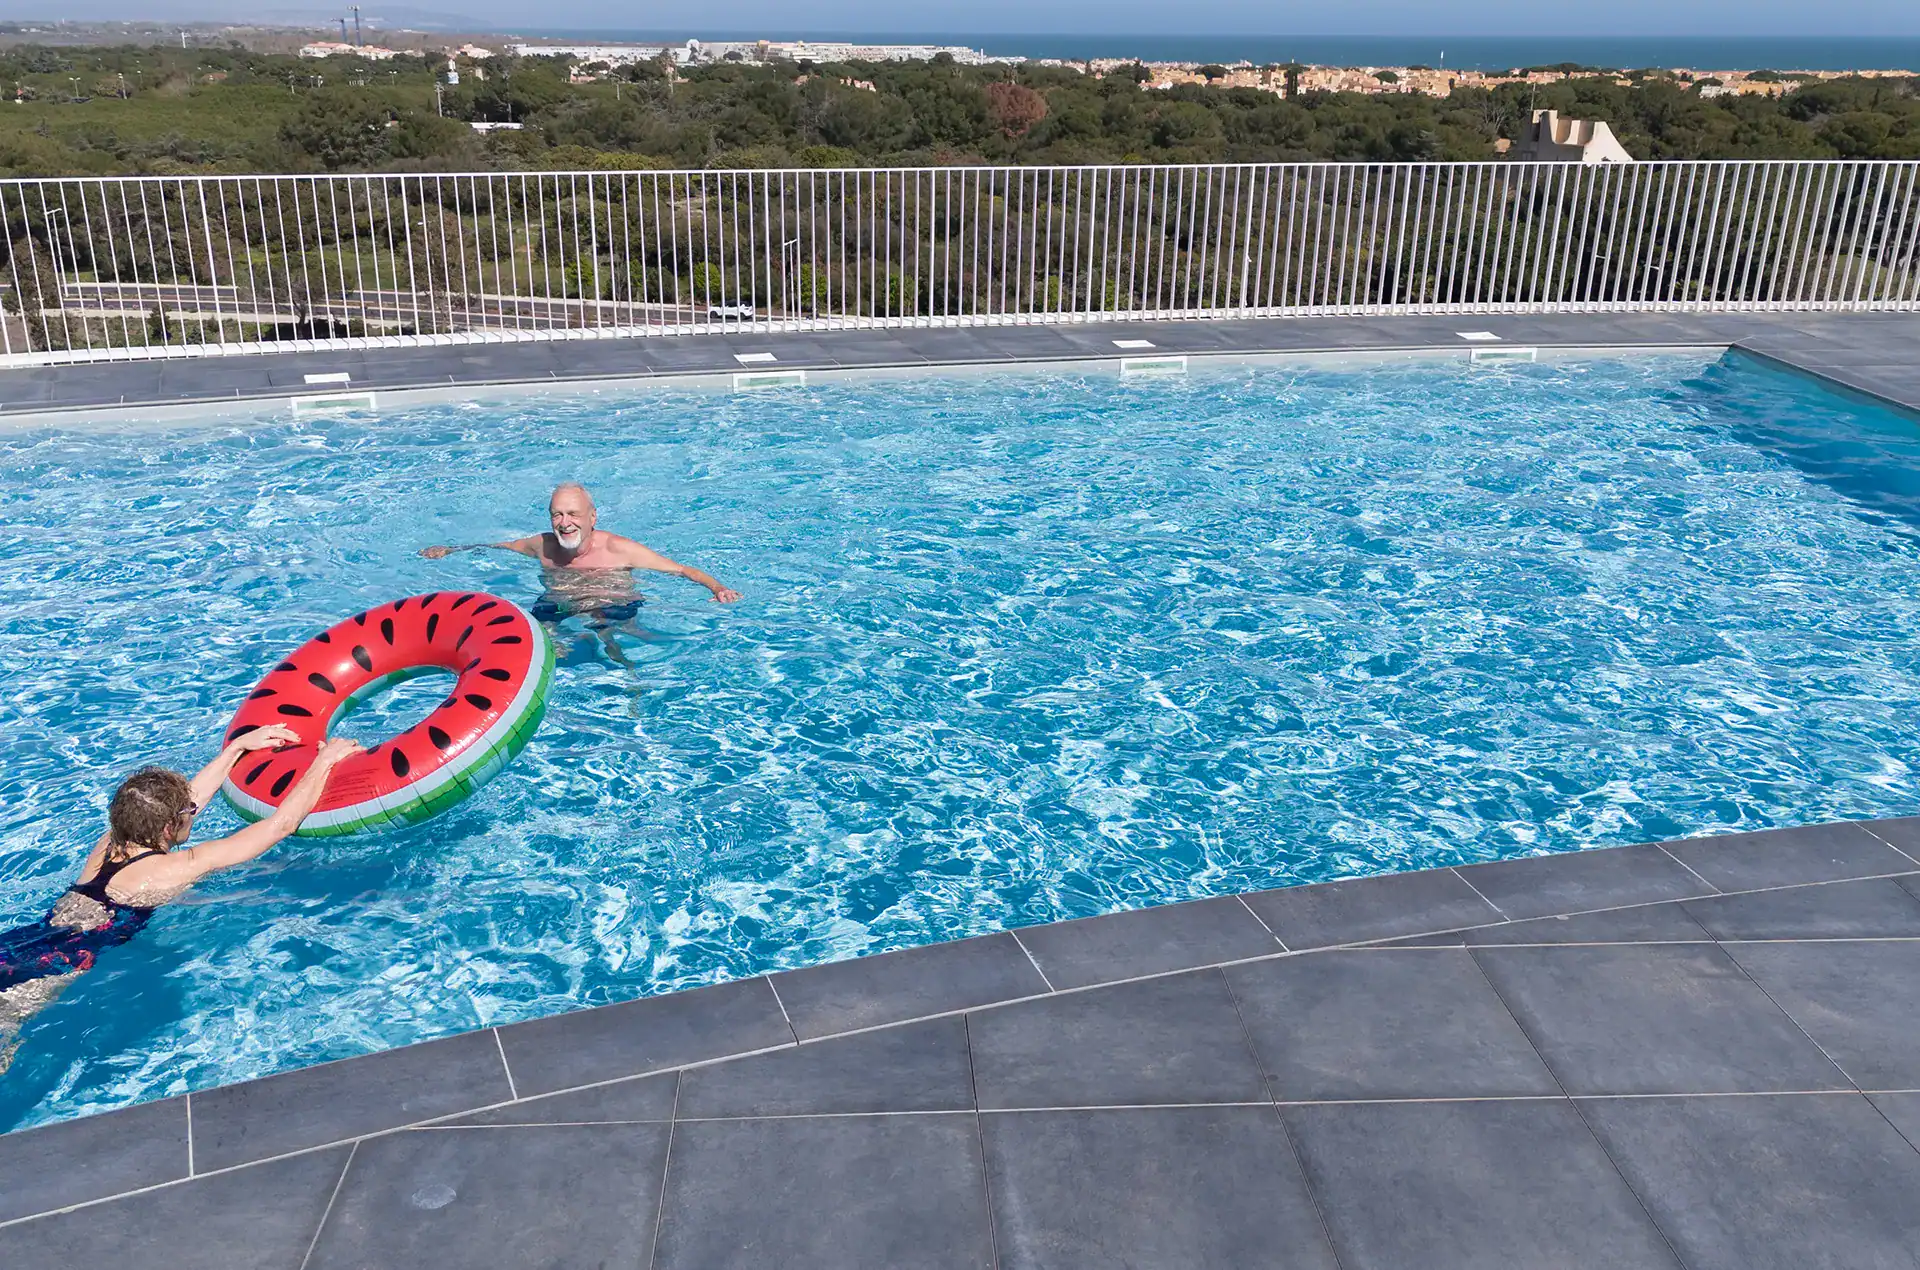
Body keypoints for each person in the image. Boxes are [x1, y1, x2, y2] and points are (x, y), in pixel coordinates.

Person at [0, 727, 363, 1069]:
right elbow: (281, 825)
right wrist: (325, 761)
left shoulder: (107, 845)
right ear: (169, 827)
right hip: (46, 969)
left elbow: (182, 803)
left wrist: (236, 749)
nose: (195, 810)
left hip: (18, 944)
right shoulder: (176, 867)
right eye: (188, 812)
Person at [419, 483, 743, 614]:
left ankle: (632, 687)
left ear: (592, 517)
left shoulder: (619, 549)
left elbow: (682, 570)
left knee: (613, 644)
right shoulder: (542, 545)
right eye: (557, 514)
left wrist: (718, 587)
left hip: (614, 607)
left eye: (573, 514)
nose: (564, 522)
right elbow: (500, 547)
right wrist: (452, 550)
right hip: (557, 603)